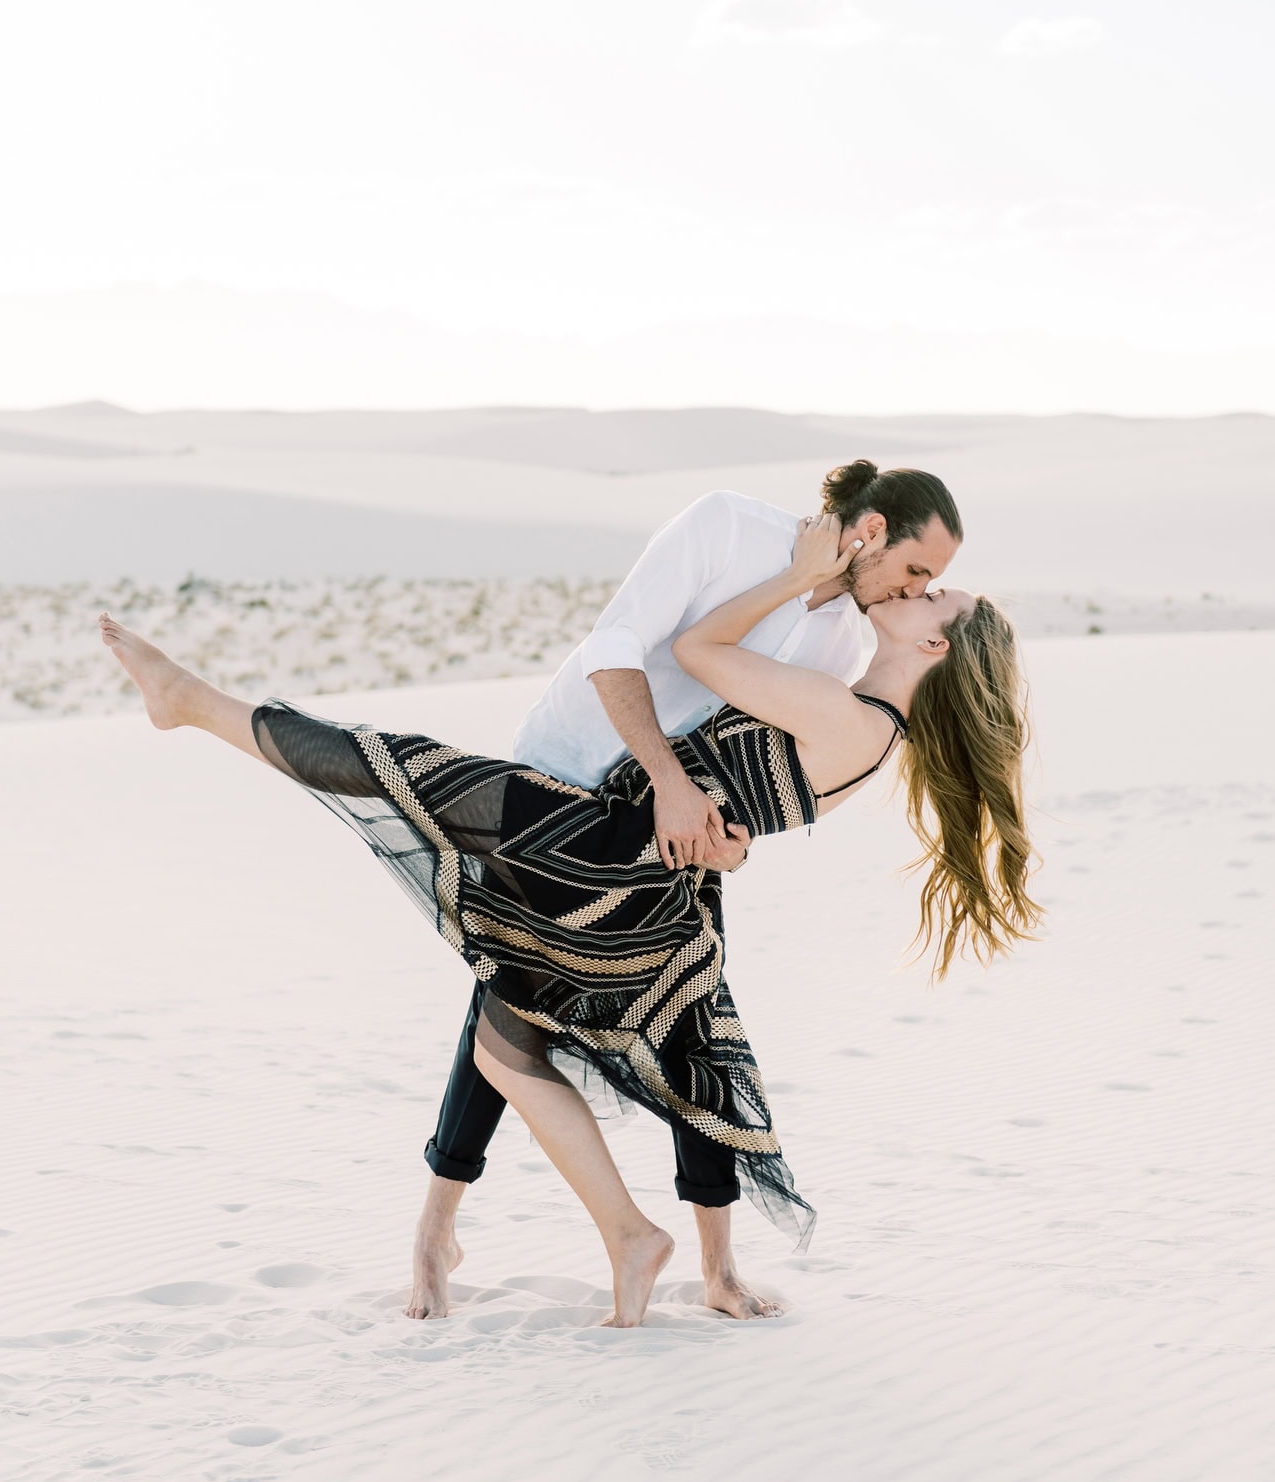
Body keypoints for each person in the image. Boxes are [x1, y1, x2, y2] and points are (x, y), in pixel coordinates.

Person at [98, 512, 1040, 1329]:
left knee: (394, 770)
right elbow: (747, 820)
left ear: (935, 648)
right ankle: (652, 1249)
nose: (923, 592)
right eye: (925, 576)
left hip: (591, 846)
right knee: (652, 1043)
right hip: (637, 873)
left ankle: (188, 702)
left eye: (935, 598)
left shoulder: (848, 713)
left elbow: (697, 653)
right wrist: (728, 841)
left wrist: (794, 579)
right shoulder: (873, 734)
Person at [411, 457, 964, 1321]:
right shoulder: (728, 528)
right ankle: (437, 1232)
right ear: (868, 533)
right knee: (509, 994)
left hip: (674, 833)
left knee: (690, 1017)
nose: (919, 587)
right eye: (917, 569)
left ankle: (715, 1269)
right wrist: (671, 783)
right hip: (567, 774)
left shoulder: (847, 644)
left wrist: (731, 843)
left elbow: (765, 761)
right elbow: (616, 648)